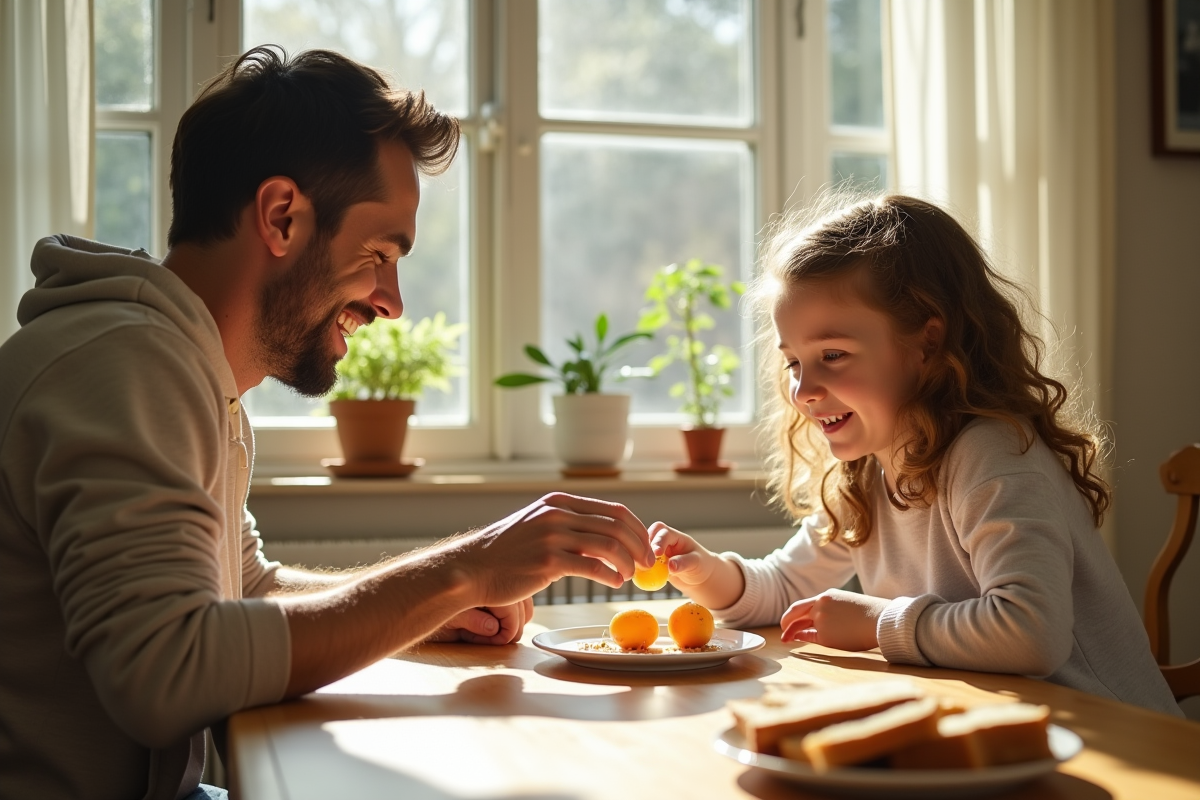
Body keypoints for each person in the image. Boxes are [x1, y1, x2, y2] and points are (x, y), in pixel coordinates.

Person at [0, 46, 654, 800]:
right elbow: (166, 673)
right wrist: (465, 568)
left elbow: (244, 591)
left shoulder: (183, 369)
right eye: (378, 252)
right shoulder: (124, 366)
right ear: (282, 217)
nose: (392, 301)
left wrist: (431, 607)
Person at [649, 194, 1183, 717]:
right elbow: (784, 586)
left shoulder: (991, 452)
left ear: (927, 343)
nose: (804, 389)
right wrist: (706, 572)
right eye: (794, 362)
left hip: (1113, 739)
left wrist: (877, 623)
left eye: (832, 355)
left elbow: (1030, 632)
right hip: (995, 729)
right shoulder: (864, 472)